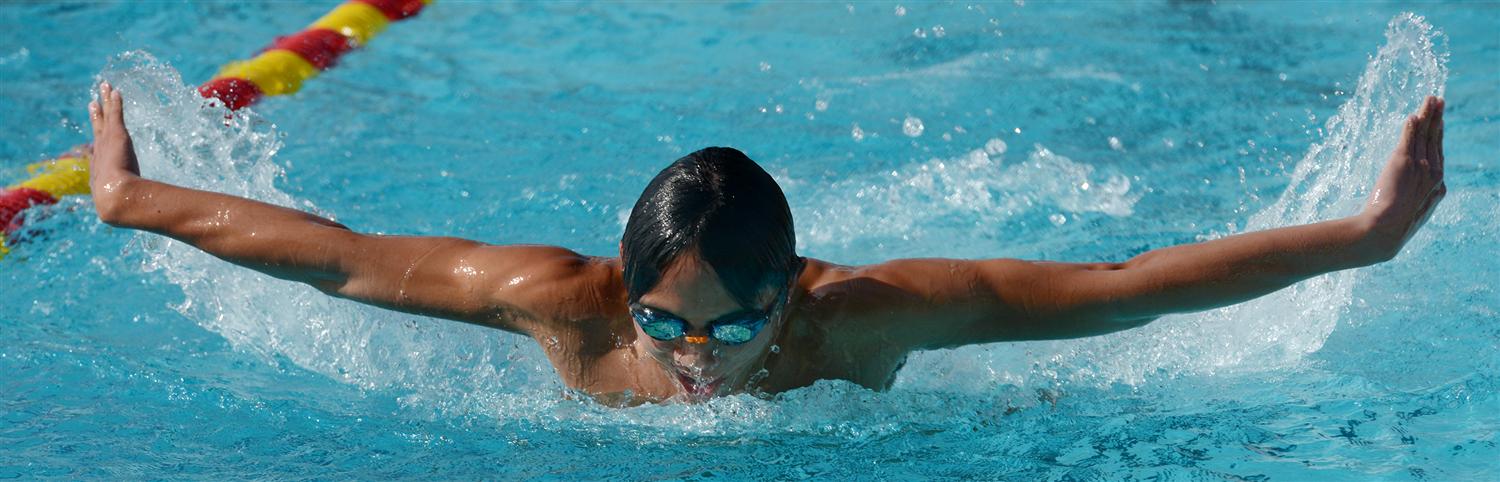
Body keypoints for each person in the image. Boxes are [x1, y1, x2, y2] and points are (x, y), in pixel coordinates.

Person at [85, 82, 1447, 405]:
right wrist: (130, 199)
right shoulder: (568, 312)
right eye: (665, 323)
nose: (693, 363)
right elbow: (339, 256)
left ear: (788, 295)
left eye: (732, 328)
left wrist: (1366, 239)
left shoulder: (861, 318)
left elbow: (1122, 290)